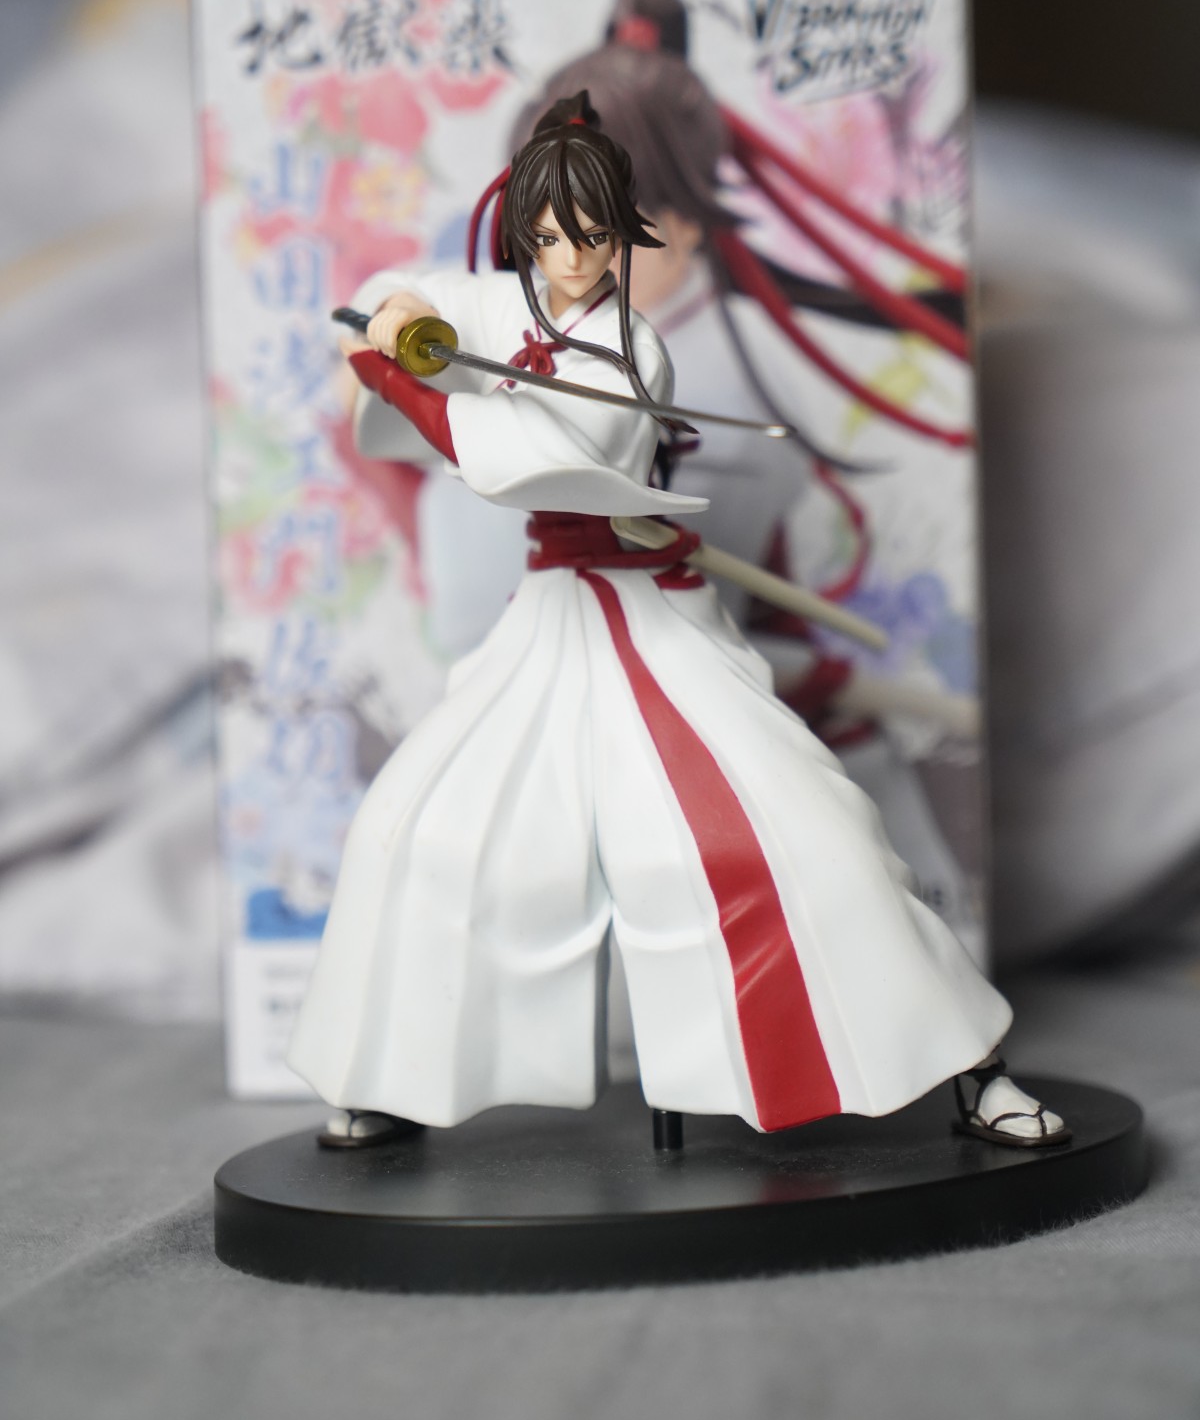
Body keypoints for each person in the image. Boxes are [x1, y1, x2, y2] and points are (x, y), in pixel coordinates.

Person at [287, 93, 1066, 1152]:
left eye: (593, 235)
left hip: (654, 622)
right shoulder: (513, 311)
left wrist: (401, 378)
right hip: (552, 623)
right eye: (549, 238)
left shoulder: (630, 352)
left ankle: (970, 1067)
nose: (572, 259)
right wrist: (395, 315)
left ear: (626, 233)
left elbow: (512, 460)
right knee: (421, 823)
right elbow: (423, 299)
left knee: (808, 830)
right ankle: (390, 1079)